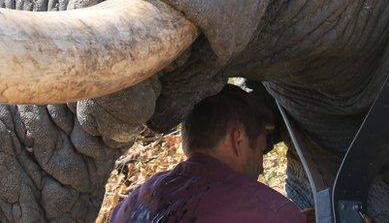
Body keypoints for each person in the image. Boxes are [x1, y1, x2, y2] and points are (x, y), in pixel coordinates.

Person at [109, 84, 307, 222]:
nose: (262, 167)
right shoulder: (270, 212)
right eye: (261, 150)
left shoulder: (127, 207)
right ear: (237, 140)